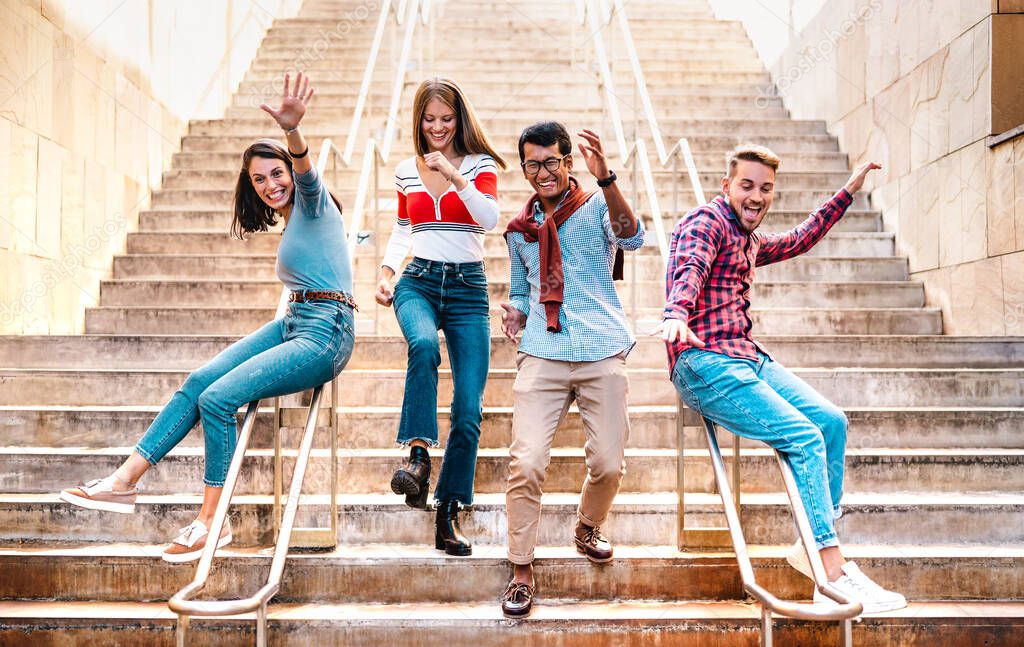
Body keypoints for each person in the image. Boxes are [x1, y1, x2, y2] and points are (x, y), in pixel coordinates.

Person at [60, 72, 357, 563]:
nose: (269, 185)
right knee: (200, 381)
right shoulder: (291, 223)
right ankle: (122, 481)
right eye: (259, 180)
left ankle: (210, 523)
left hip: (328, 331)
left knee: (219, 400)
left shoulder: (315, 202)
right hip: (296, 321)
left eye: (275, 173)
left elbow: (304, 169)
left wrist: (293, 132)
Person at [655, 143, 906, 614]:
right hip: (703, 361)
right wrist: (675, 312)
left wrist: (848, 190)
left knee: (830, 422)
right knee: (805, 438)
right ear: (726, 185)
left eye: (765, 188)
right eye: (747, 185)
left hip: (745, 357)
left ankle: (810, 548)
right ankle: (831, 570)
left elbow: (798, 239)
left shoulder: (747, 238)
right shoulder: (706, 222)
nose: (756, 196)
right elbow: (689, 267)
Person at [498, 121, 644, 618]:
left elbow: (634, 238)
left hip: (601, 345)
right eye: (532, 164)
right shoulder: (519, 230)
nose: (543, 172)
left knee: (608, 462)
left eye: (552, 162)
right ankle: (520, 568)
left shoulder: (600, 204)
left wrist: (608, 180)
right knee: (526, 461)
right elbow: (520, 287)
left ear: (568, 162)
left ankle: (586, 525)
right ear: (524, 168)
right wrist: (515, 309)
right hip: (543, 346)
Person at [374, 77, 506, 556]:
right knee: (423, 345)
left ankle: (449, 511)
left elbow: (489, 219)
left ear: (460, 119)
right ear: (418, 121)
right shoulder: (405, 171)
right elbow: (404, 227)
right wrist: (388, 272)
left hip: (469, 289)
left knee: (469, 410)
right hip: (420, 283)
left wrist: (454, 175)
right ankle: (417, 456)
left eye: (446, 119)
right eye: (429, 119)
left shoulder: (478, 165)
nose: (437, 127)